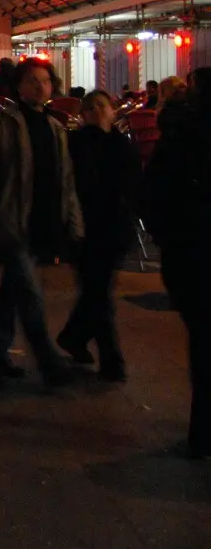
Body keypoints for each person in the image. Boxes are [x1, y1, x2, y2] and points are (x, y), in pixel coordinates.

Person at [0, 58, 83, 386]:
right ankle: (48, 359)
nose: (40, 86)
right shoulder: (2, 124)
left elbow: (65, 180)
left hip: (42, 221)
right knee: (30, 294)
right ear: (19, 86)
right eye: (32, 80)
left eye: (45, 81)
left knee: (13, 290)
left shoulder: (54, 128)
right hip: (13, 223)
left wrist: (72, 221)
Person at [145, 67, 211, 458]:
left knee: (203, 342)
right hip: (191, 248)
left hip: (188, 252)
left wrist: (166, 237)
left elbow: (153, 193)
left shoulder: (178, 138)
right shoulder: (185, 137)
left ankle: (202, 432)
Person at [57, 90, 139, 382]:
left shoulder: (119, 146)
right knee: (99, 293)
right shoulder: (80, 143)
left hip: (112, 227)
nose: (96, 112)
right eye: (90, 107)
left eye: (101, 106)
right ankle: (109, 358)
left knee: (96, 291)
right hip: (88, 227)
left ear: (112, 110)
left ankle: (75, 337)